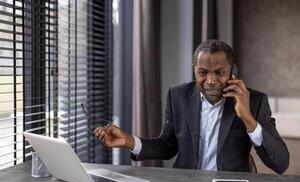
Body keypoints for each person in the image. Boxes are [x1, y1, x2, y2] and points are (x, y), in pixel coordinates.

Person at [94, 39, 289, 174]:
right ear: (194, 70)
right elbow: (167, 146)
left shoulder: (255, 101)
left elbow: (281, 164)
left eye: (220, 72)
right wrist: (129, 141)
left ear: (232, 71)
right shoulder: (177, 95)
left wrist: (248, 119)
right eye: (203, 72)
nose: (211, 81)